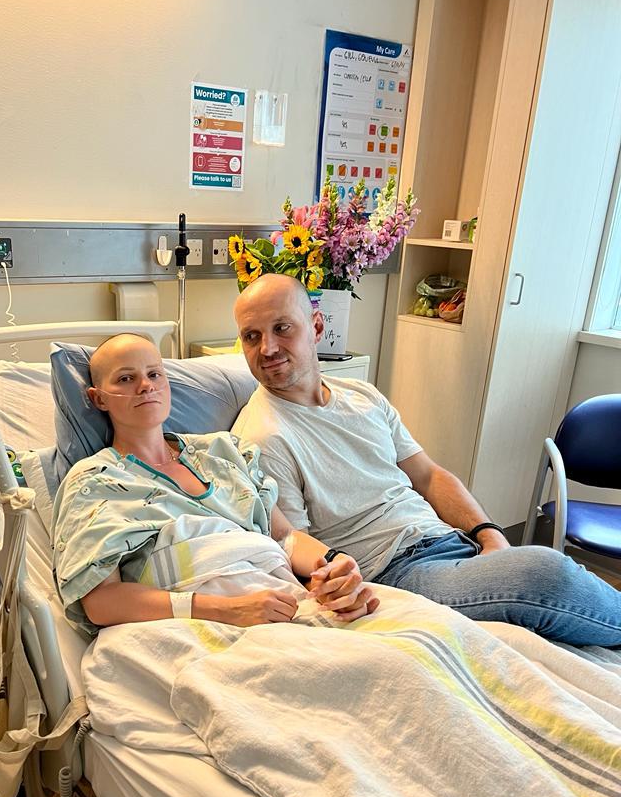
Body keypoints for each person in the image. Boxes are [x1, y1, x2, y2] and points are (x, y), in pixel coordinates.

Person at [232, 273, 621, 647]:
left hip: (449, 541)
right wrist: (335, 583)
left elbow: (430, 476)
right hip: (397, 571)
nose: (267, 348)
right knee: (544, 573)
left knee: (549, 585)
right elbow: (291, 542)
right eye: (252, 336)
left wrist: (490, 536)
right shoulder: (263, 437)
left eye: (282, 328)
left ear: (316, 327)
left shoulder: (362, 396)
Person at [51, 332, 379, 634]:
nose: (146, 386)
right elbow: (101, 602)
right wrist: (227, 609)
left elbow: (284, 537)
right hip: (195, 625)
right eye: (126, 378)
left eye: (154, 374)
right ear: (98, 398)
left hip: (278, 602)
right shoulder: (95, 481)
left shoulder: (224, 452)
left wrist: (333, 567)